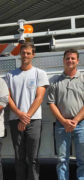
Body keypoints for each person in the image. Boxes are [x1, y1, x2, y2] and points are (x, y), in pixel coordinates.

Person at [5, 42, 49, 180]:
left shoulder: (40, 74)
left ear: (33, 55)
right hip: (15, 120)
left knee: (33, 158)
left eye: (28, 53)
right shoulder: (10, 75)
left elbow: (40, 98)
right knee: (19, 158)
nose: (25, 55)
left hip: (34, 120)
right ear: (20, 54)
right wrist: (19, 114)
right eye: (23, 53)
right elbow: (7, 97)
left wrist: (26, 117)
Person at [47, 49, 84, 180]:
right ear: (63, 60)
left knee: (82, 160)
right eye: (67, 58)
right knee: (62, 160)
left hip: (81, 125)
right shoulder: (55, 82)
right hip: (61, 126)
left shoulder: (83, 79)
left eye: (73, 58)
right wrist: (64, 121)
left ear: (78, 61)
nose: (70, 61)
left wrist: (75, 120)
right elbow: (51, 104)